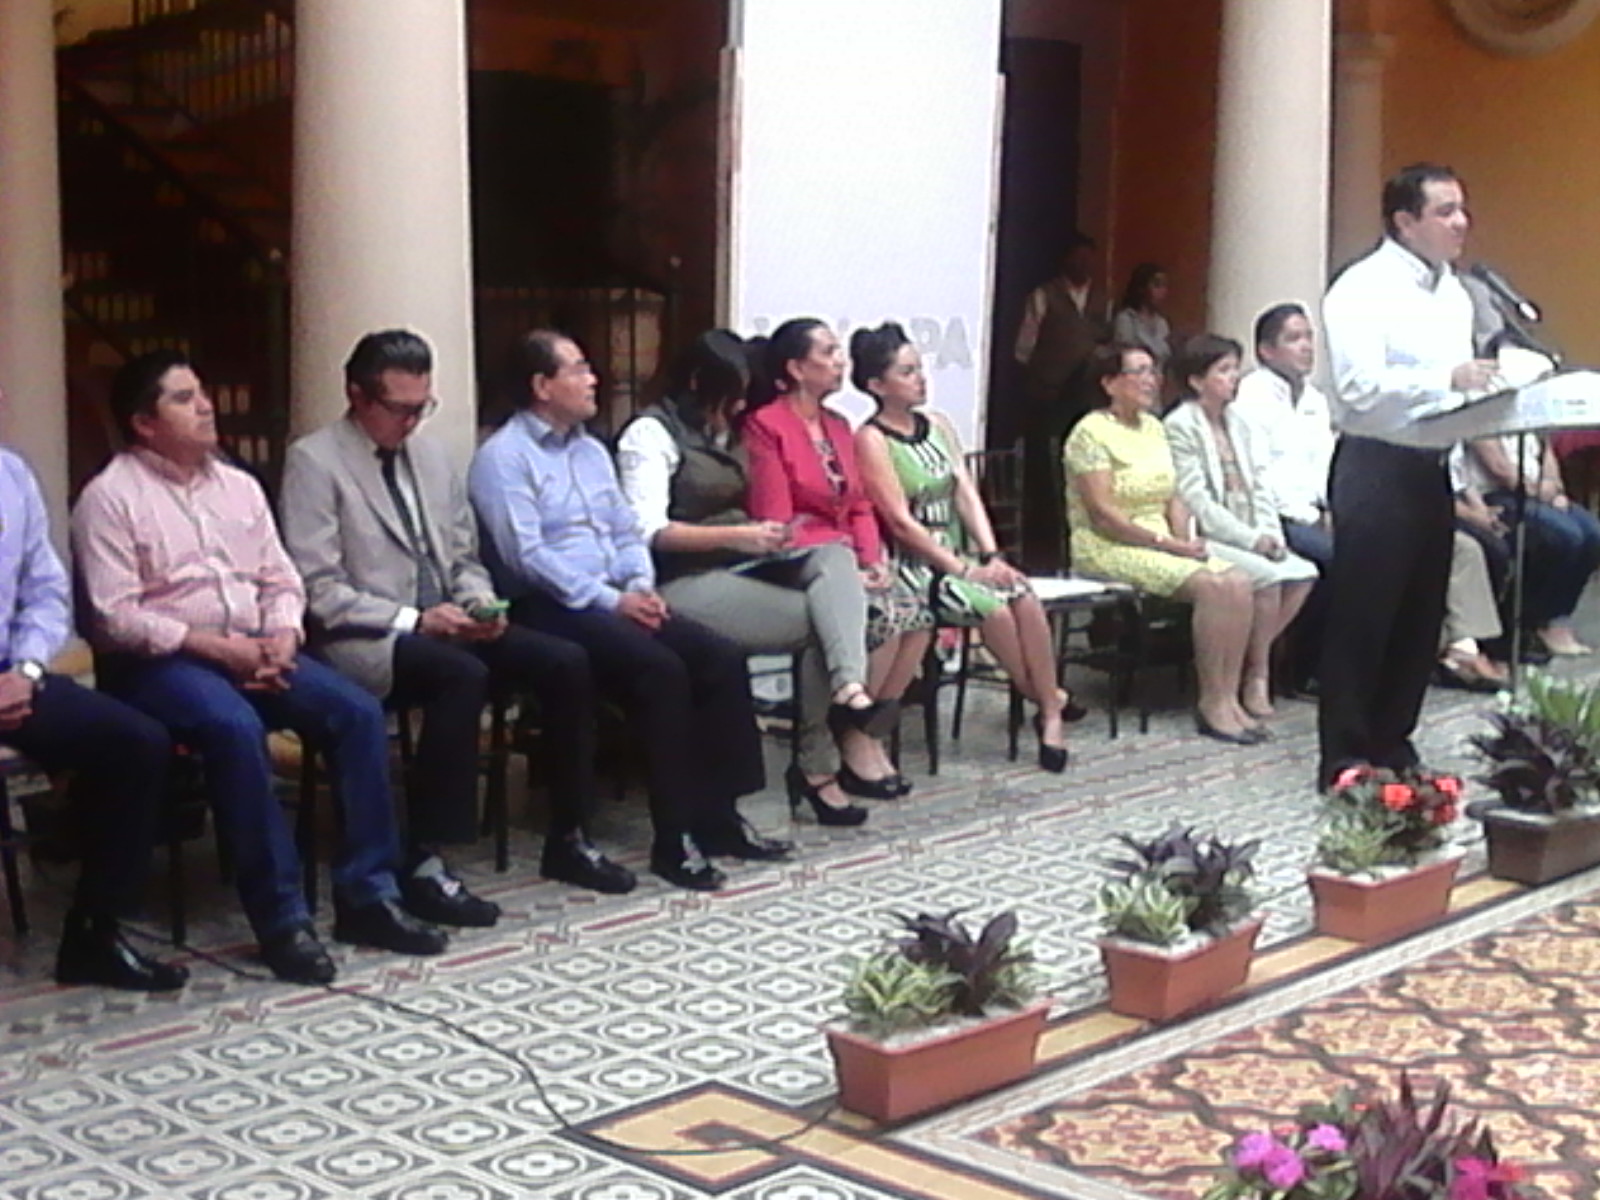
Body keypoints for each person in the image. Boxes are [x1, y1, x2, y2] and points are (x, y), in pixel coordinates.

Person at [72, 350, 448, 985]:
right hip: (165, 664)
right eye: (184, 398)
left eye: (202, 392)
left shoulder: (238, 486)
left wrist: (280, 634)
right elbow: (114, 618)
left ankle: (369, 895)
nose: (205, 406)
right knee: (234, 727)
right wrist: (219, 649)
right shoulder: (109, 499)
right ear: (143, 422)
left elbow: (281, 577)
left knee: (356, 712)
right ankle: (281, 920)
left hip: (259, 646)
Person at [279, 330, 635, 901]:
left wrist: (478, 603)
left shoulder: (432, 456)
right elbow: (319, 589)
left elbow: (464, 556)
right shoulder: (315, 461)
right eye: (399, 409)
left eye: (422, 407)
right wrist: (413, 619)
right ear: (357, 396)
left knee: (564, 661)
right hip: (371, 634)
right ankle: (426, 855)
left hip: (449, 619)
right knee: (459, 674)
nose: (411, 422)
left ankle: (570, 835)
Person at [470, 329, 779, 892]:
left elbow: (625, 529)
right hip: (552, 603)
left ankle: (719, 813)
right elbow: (527, 556)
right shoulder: (503, 457)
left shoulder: (592, 451)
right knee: (660, 670)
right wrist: (613, 600)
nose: (594, 380)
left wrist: (639, 583)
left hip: (619, 593)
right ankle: (673, 836)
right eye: (578, 369)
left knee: (719, 656)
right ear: (542, 385)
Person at [617, 329, 895, 826]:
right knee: (826, 621)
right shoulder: (651, 434)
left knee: (834, 562)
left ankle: (849, 688)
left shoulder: (732, 428)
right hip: (683, 577)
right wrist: (738, 536)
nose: (741, 405)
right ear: (698, 383)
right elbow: (648, 531)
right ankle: (817, 764)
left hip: (745, 563)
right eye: (731, 395)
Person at [1317, 162, 1499, 789]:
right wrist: (1445, 380)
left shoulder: (1454, 293)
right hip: (1376, 464)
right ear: (1404, 221)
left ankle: (1394, 740)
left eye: (1462, 209)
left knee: (1420, 618)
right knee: (1365, 615)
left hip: (1432, 468)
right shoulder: (1362, 288)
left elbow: (1457, 392)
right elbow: (1358, 388)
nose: (1461, 222)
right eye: (1445, 211)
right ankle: (1344, 757)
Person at [0, 423, 185, 991]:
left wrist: (27, 670)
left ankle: (94, 935)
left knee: (136, 742)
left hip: (12, 674)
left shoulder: (11, 474)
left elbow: (45, 592)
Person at [851, 321, 1078, 774]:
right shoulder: (871, 439)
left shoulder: (937, 424)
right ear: (877, 385)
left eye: (920, 368)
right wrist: (961, 569)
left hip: (962, 552)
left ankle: (1050, 711)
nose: (920, 379)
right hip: (918, 564)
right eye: (906, 372)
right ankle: (1047, 697)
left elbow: (965, 491)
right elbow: (900, 522)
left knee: (1022, 593)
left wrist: (990, 554)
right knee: (994, 609)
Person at [742, 318, 934, 799]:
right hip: (797, 559)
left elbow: (859, 505)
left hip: (846, 555)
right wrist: (847, 563)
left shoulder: (838, 425)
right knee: (883, 617)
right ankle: (838, 733)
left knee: (918, 614)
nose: (840, 361)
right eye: (828, 353)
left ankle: (862, 732)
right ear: (796, 368)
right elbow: (777, 518)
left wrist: (872, 560)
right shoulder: (766, 425)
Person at [1063, 343, 1260, 744]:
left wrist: (1184, 540)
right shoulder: (1089, 433)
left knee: (1238, 581)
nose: (1150, 381)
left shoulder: (1154, 427)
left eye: (1153, 371)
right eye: (1138, 372)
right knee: (1211, 587)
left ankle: (1229, 696)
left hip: (1164, 541)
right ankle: (1211, 702)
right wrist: (1167, 545)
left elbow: (1175, 495)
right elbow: (1103, 514)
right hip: (1110, 545)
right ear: (1109, 383)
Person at [1163, 334, 1317, 721]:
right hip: (1210, 534)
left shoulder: (1242, 422)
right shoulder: (1180, 425)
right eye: (1224, 370)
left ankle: (1252, 661)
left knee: (1303, 573)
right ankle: (1256, 674)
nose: (1234, 378)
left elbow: (1261, 486)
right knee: (1267, 578)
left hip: (1252, 528)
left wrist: (1271, 534)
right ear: (1197, 380)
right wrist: (1251, 540)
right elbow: (1197, 500)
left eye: (1235, 369)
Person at [1232, 303, 1336, 695]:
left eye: (1309, 337)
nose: (1306, 346)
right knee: (1331, 559)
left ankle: (1342, 663)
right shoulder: (1252, 397)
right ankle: (1300, 669)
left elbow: (1326, 464)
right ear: (1266, 350)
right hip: (1272, 516)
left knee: (1371, 553)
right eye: (1294, 338)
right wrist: (1300, 517)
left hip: (1314, 511)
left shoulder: (1315, 400)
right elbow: (1256, 472)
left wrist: (1330, 509)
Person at [1014, 233, 1111, 570]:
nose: (1084, 264)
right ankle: (1045, 548)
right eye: (1077, 257)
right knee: (1047, 474)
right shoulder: (1044, 296)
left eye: (1089, 258)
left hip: (1086, 401)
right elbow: (1023, 349)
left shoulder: (1103, 301)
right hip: (1049, 398)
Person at [1461, 430, 1600, 657]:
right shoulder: (1483, 418)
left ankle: (1558, 618)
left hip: (1540, 493)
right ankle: (1537, 619)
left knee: (1593, 533)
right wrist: (1536, 491)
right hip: (1500, 494)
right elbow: (1499, 469)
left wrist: (1553, 485)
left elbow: (1547, 453)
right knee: (1565, 536)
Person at [1110, 263, 1172, 372]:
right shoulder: (1126, 319)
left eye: (1164, 286)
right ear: (1141, 288)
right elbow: (1126, 355)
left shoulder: (1162, 323)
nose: (1162, 291)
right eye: (1157, 285)